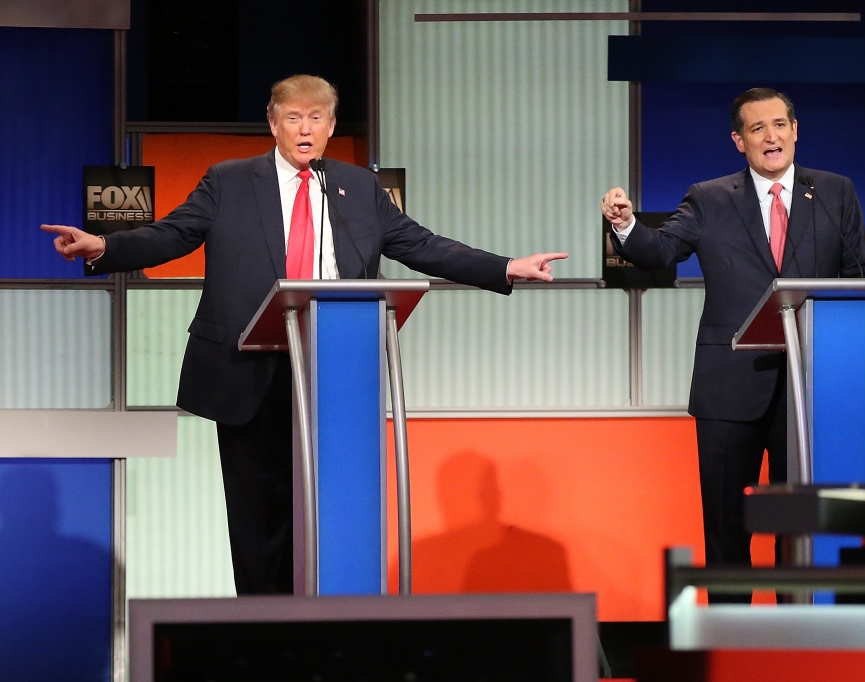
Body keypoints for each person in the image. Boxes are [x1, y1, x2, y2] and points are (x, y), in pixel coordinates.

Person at [43, 74, 567, 595]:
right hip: (248, 368)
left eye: (316, 118)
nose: (304, 129)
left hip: (335, 368)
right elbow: (172, 233)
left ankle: (327, 619)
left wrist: (505, 267)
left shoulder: (358, 188)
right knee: (256, 516)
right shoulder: (228, 180)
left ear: (332, 126)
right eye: (293, 117)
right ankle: (262, 627)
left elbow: (421, 244)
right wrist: (104, 248)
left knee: (330, 507)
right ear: (273, 124)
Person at [600, 88, 865, 587]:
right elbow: (661, 250)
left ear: (796, 130)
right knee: (728, 525)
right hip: (728, 386)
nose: (771, 137)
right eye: (758, 129)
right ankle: (729, 648)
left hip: (812, 386)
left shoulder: (835, 191)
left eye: (779, 125)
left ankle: (793, 644)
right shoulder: (710, 197)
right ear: (739, 141)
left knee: (798, 524)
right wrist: (625, 226)